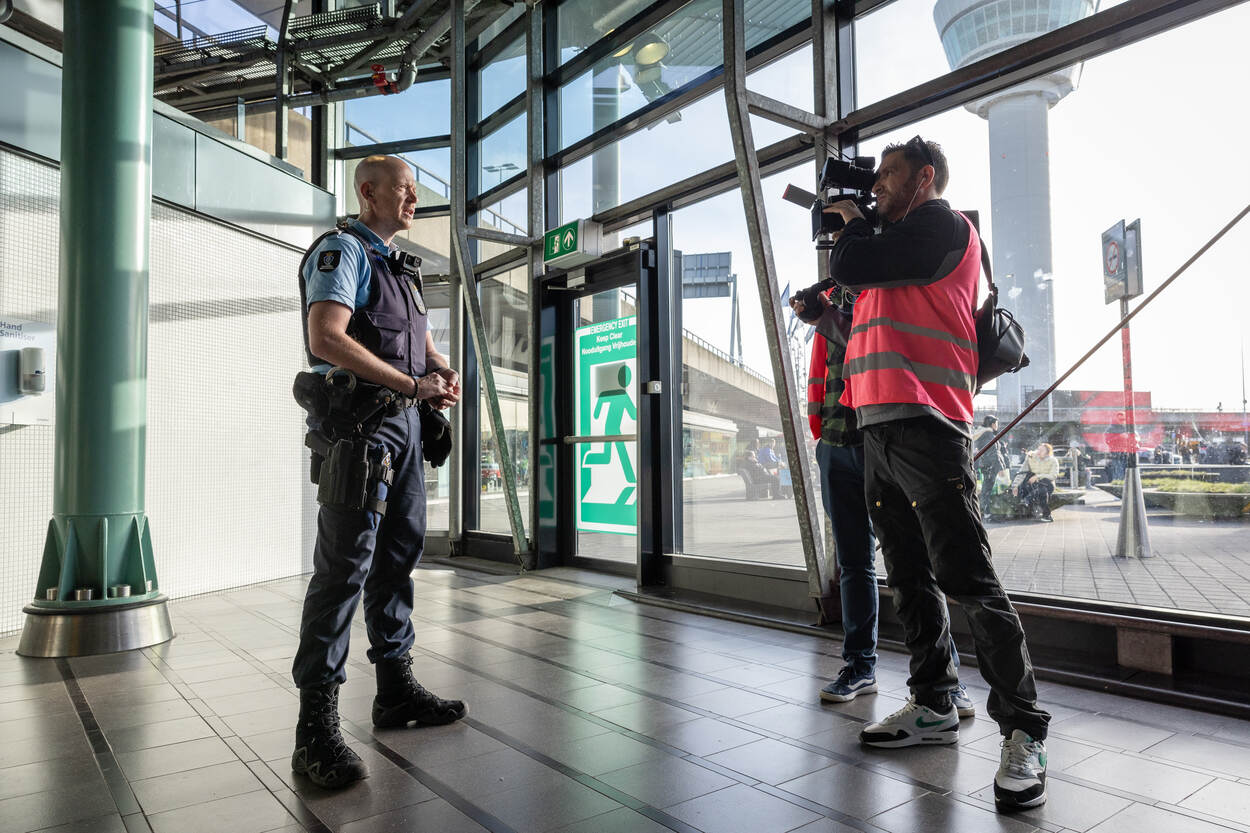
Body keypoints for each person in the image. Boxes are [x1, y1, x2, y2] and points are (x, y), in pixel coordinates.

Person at [826, 136, 1051, 812]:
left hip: (929, 428)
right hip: (878, 431)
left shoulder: (944, 226)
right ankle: (933, 700)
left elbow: (859, 259)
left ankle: (1025, 730)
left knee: (969, 581)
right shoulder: (893, 248)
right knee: (911, 576)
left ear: (924, 178)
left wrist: (855, 224)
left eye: (888, 175)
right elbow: (872, 323)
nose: (877, 187)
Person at [290, 155, 466, 789]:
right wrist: (413, 385)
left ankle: (394, 693)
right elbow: (327, 337)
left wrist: (438, 372)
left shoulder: (402, 269)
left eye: (416, 191)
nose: (413, 199)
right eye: (403, 189)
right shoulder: (344, 252)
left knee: (398, 557)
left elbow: (417, 346)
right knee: (343, 570)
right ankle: (315, 730)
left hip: (406, 429)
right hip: (360, 433)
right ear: (367, 192)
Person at [791, 286, 974, 716]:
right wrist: (821, 435)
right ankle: (859, 666)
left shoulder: (886, 288)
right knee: (853, 562)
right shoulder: (829, 296)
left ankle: (945, 679)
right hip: (837, 442)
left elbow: (880, 345)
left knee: (917, 562)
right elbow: (821, 369)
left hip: (887, 440)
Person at [973, 416, 1007, 520]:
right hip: (991, 466)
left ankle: (986, 512)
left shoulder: (982, 433)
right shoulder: (988, 434)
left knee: (986, 489)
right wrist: (1000, 468)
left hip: (987, 465)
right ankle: (987, 514)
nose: (997, 426)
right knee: (987, 490)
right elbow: (993, 452)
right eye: (996, 423)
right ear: (992, 424)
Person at [1016, 442, 1058, 522]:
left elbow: (1053, 476)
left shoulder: (1053, 461)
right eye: (1038, 449)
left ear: (1047, 453)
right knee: (1041, 489)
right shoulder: (1033, 457)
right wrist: (1015, 485)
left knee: (1043, 486)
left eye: (1042, 450)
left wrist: (1037, 476)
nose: (1038, 452)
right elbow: (1023, 471)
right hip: (1035, 485)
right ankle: (1047, 515)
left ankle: (1027, 500)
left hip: (1048, 484)